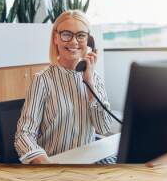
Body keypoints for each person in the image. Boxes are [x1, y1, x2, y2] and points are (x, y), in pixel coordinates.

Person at [14, 10, 115, 164]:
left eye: (81, 35)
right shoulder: (43, 80)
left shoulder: (94, 79)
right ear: (56, 38)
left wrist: (90, 85)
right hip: (55, 162)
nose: (74, 42)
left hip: (88, 162)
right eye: (66, 34)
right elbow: (24, 134)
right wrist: (41, 160)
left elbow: (103, 127)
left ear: (89, 41)